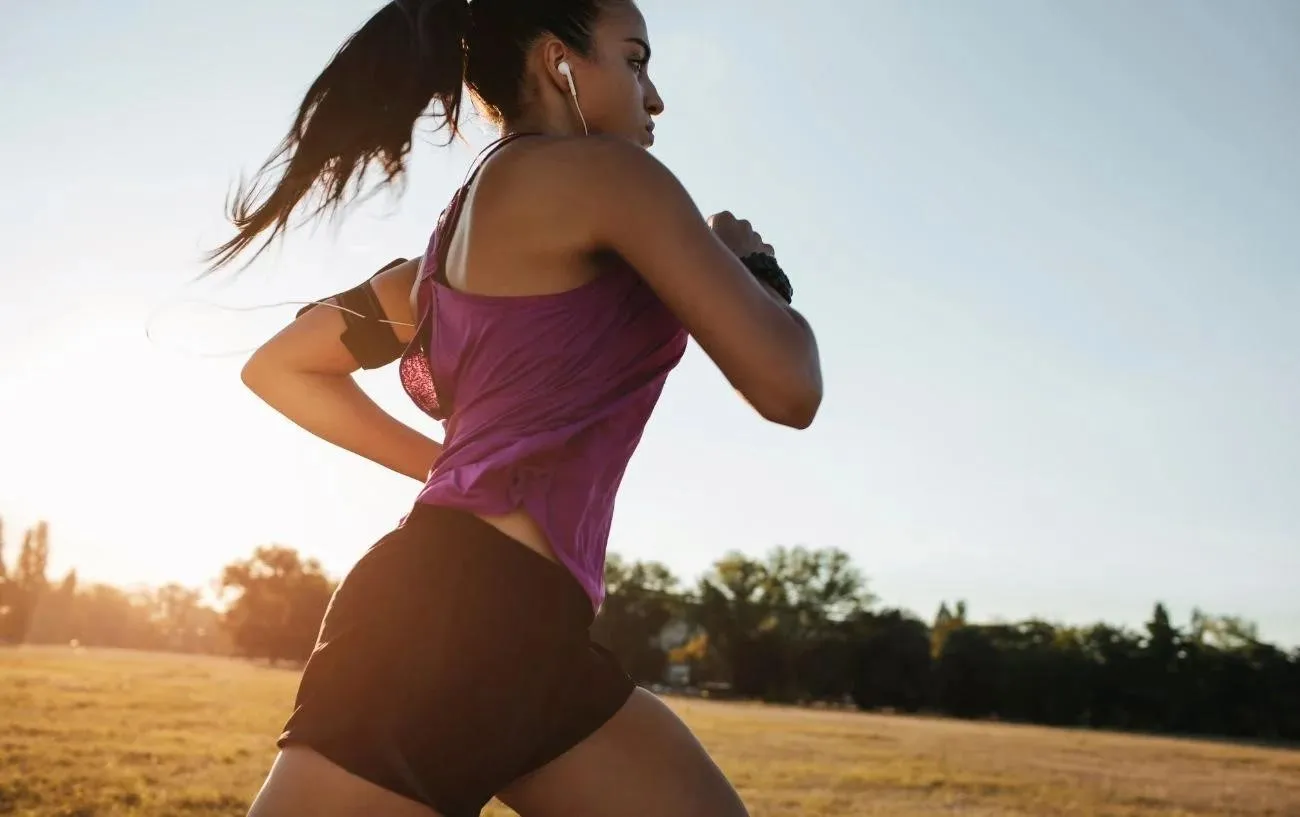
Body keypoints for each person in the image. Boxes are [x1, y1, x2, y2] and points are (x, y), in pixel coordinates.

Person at [207, 0, 822, 814]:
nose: (655, 96)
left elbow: (282, 366)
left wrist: (454, 472)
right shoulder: (612, 178)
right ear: (555, 64)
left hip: (529, 628)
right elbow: (789, 384)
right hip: (454, 615)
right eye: (634, 60)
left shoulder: (436, 260)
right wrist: (754, 267)